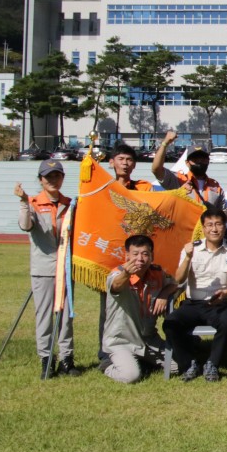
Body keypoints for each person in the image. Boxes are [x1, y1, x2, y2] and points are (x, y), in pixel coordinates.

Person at [165, 208, 227, 382]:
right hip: (193, 303)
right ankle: (189, 363)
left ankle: (212, 363)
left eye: (218, 224)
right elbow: (179, 279)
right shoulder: (192, 249)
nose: (214, 229)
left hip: (220, 303)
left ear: (224, 227)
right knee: (170, 324)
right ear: (203, 228)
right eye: (210, 225)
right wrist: (188, 257)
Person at [15, 160, 78, 379]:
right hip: (43, 269)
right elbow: (26, 226)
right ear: (40, 179)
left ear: (62, 178)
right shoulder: (33, 202)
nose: (53, 180)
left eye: (57, 175)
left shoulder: (70, 204)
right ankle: (46, 360)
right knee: (44, 316)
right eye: (48, 176)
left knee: (65, 318)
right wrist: (24, 202)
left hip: (65, 270)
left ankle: (67, 360)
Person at [98, 142, 154, 361]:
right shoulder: (102, 188)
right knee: (109, 307)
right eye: (121, 159)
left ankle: (140, 350)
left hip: (138, 257)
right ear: (112, 162)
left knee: (140, 304)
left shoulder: (144, 187)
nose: (125, 163)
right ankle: (105, 353)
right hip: (110, 255)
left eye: (129, 159)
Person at [101, 234, 177, 383]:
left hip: (149, 339)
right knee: (131, 377)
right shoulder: (118, 274)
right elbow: (116, 286)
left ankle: (141, 361)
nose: (140, 259)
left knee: (179, 366)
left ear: (152, 256)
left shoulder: (157, 273)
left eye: (145, 254)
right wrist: (127, 274)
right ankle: (107, 365)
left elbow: (175, 283)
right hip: (121, 341)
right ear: (127, 255)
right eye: (135, 254)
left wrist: (164, 293)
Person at [151, 131, 225, 210]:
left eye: (203, 158)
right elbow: (156, 169)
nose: (199, 161)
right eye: (195, 159)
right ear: (187, 163)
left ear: (208, 161)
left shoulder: (215, 186)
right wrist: (165, 143)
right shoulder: (178, 180)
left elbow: (222, 215)